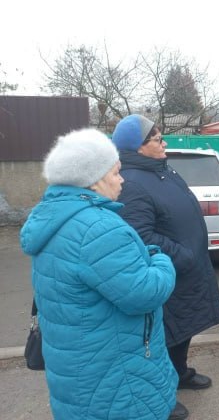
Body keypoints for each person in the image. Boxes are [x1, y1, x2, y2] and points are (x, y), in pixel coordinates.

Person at [20, 128, 178, 420]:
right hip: (117, 377)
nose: (122, 179)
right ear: (94, 179)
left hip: (77, 367)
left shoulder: (53, 216)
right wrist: (160, 259)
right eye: (116, 172)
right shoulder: (98, 228)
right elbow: (144, 293)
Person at [111, 114, 219, 420]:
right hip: (170, 272)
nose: (164, 143)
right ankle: (162, 393)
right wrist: (183, 255)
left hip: (187, 271)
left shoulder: (161, 169)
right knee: (162, 336)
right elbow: (141, 235)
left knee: (183, 329)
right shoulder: (132, 182)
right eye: (157, 139)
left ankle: (180, 373)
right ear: (137, 147)